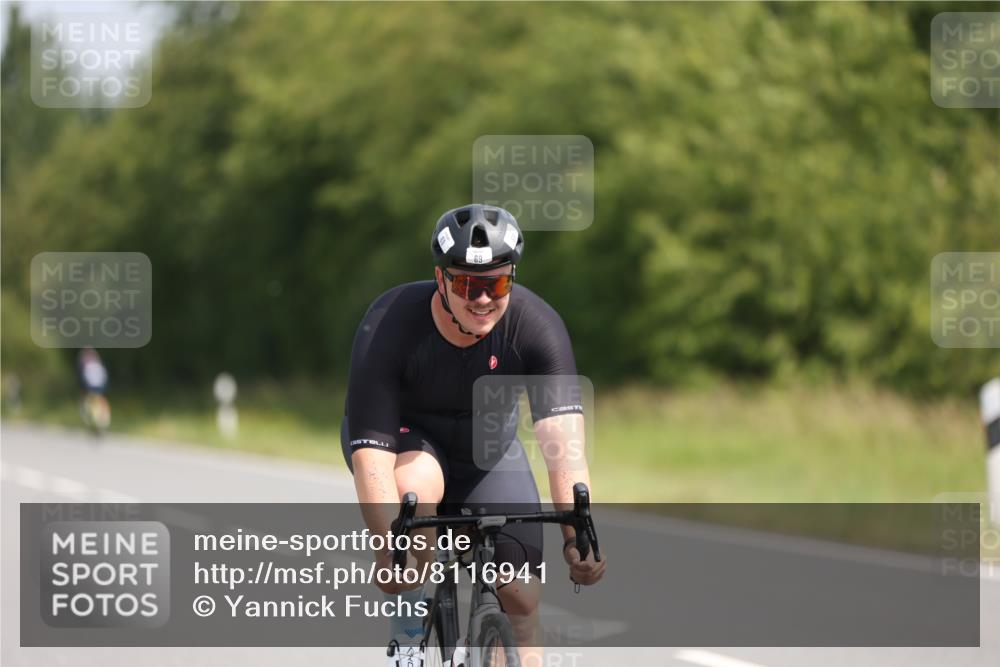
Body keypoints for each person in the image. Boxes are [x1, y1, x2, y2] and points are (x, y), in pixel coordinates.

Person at [341, 204, 606, 666]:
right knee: (418, 492)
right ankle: (408, 631)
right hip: (407, 441)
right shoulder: (390, 322)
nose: (483, 299)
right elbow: (372, 459)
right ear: (441, 279)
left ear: (512, 280)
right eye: (467, 284)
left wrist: (576, 538)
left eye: (496, 284)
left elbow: (563, 450)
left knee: (521, 597)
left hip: (487, 453)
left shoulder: (537, 326)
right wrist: (390, 546)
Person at [77, 347, 110, 434]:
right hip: (100, 388)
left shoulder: (87, 366)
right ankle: (102, 422)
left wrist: (84, 389)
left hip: (90, 388)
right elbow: (104, 378)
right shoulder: (99, 365)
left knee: (86, 404)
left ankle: (91, 422)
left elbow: (84, 379)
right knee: (101, 403)